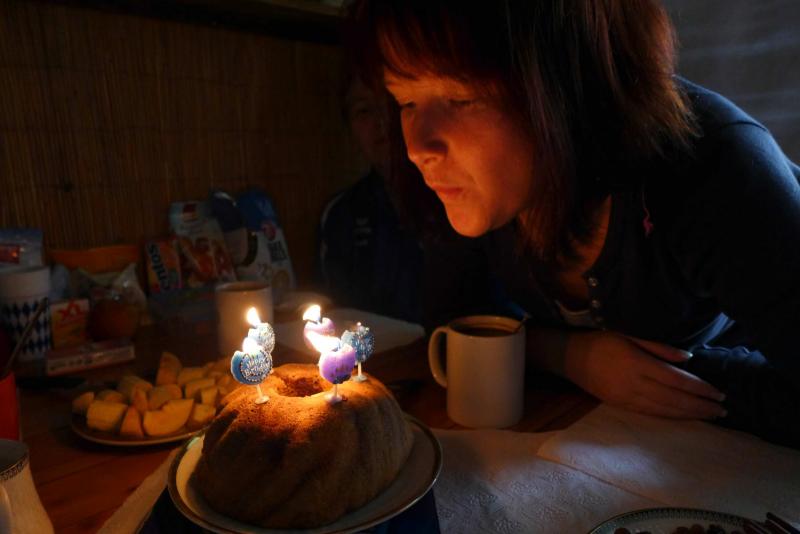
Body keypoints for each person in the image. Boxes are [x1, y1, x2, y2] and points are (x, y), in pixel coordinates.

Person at [343, 0, 800, 446]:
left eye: (460, 99)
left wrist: (684, 376)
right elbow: (454, 322)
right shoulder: (479, 183)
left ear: (566, 79)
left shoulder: (713, 169)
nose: (418, 147)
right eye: (406, 101)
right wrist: (572, 356)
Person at [315, 73, 424, 323]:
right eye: (364, 111)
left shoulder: (457, 202)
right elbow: (330, 310)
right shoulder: (341, 214)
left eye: (393, 103)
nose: (382, 121)